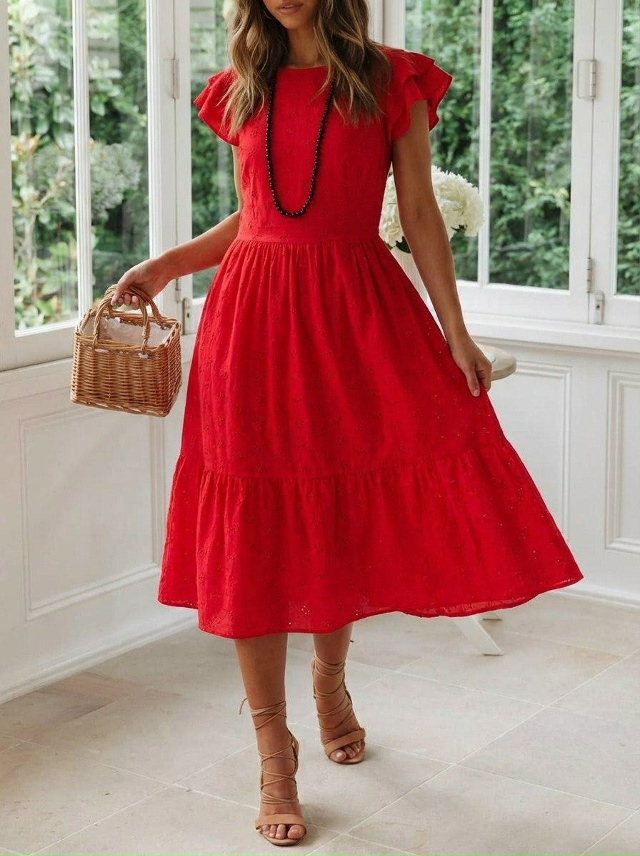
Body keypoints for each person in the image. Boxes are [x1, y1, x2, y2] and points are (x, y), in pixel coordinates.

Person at [111, 0, 584, 847]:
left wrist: (456, 331)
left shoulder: (390, 79)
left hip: (355, 315)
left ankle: (330, 681)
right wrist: (168, 264)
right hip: (252, 323)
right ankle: (274, 753)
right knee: (254, 528)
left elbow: (420, 210)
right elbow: (260, 215)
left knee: (336, 509)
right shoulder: (240, 86)